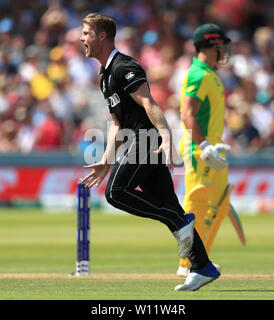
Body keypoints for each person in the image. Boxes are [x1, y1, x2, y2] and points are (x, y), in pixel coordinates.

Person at [80, 13, 222, 291]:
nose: (81, 38)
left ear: (102, 36)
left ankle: (179, 223)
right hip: (137, 142)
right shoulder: (106, 76)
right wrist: (106, 161)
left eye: (86, 33)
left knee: (115, 193)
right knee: (168, 204)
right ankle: (203, 266)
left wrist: (166, 136)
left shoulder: (124, 66)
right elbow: (118, 124)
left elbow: (149, 103)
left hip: (147, 140)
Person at [177, 24, 233, 277]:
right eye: (221, 45)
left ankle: (201, 261)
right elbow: (187, 114)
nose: (224, 50)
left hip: (212, 146)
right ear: (210, 45)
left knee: (220, 203)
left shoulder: (210, 74)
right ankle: (188, 263)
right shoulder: (198, 73)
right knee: (197, 201)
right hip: (199, 147)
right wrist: (204, 145)